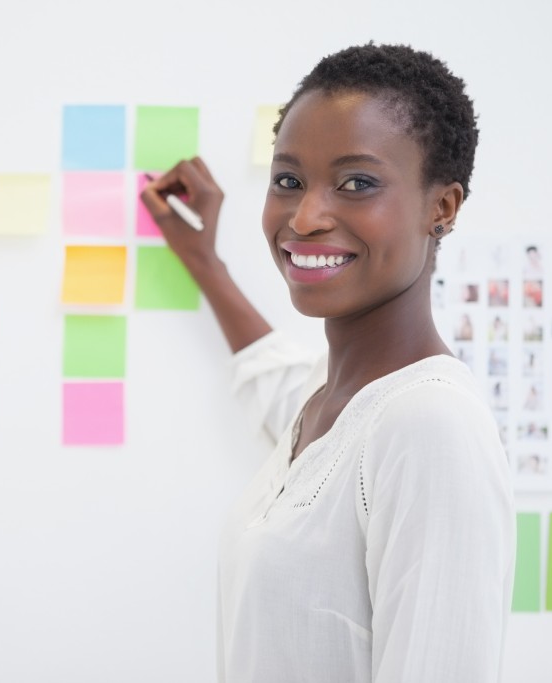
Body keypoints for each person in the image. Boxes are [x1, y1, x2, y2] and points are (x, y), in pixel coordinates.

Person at [141, 43, 515, 683]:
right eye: (288, 180)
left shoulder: (429, 426)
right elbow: (274, 376)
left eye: (357, 183)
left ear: (442, 208)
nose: (305, 217)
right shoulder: (329, 398)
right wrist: (203, 259)